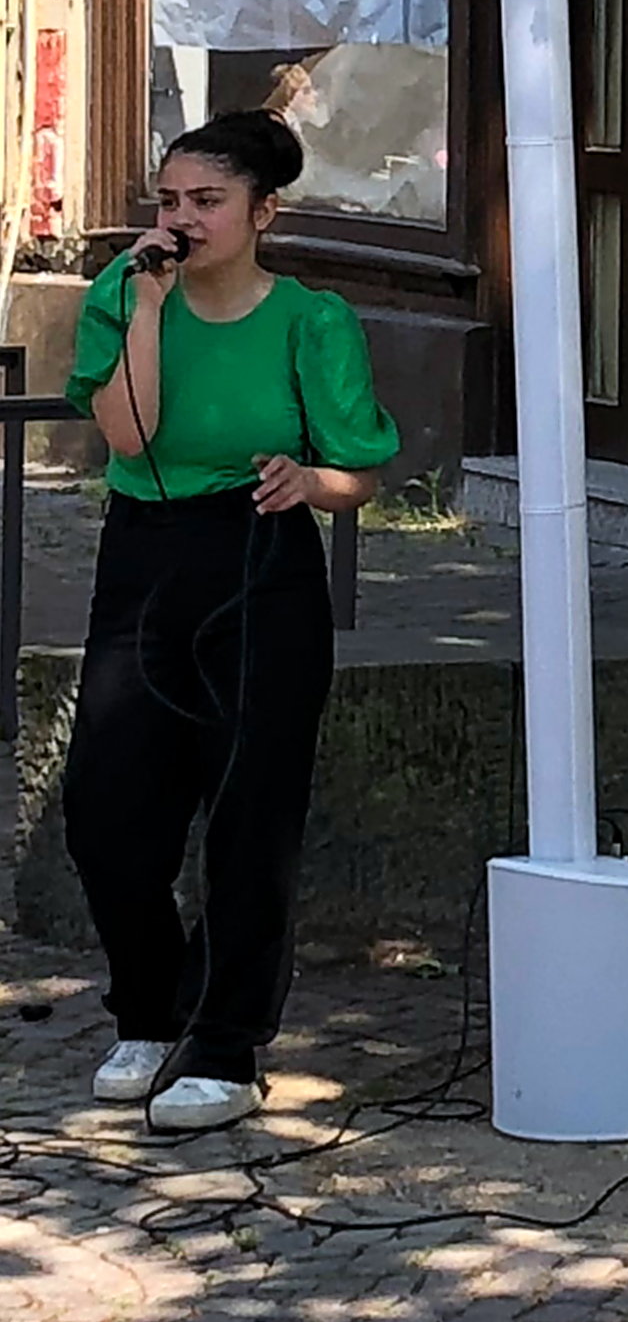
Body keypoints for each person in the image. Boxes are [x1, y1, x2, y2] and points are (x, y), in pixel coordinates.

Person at [63, 110, 400, 1131]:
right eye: (168, 201)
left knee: (252, 812)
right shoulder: (125, 294)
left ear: (264, 211)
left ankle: (228, 1042)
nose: (182, 219)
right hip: (145, 550)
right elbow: (130, 429)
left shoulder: (311, 319)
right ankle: (151, 1007)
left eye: (207, 201)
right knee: (106, 806)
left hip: (259, 554)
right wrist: (150, 306)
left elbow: (360, 476)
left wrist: (311, 478)